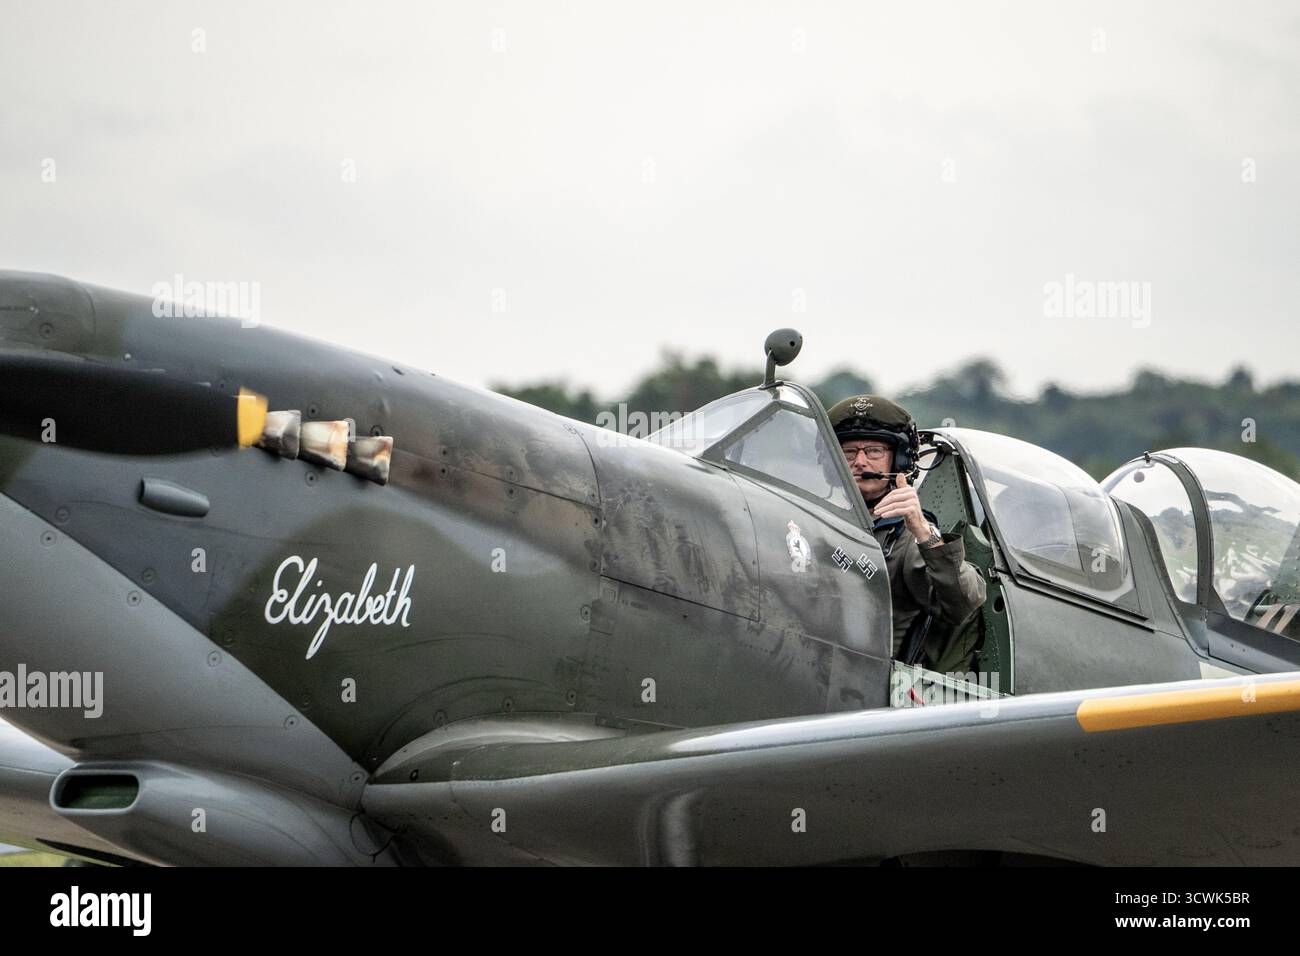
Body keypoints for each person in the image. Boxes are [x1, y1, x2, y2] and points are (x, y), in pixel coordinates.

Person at [827, 394, 986, 670]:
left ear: (897, 461)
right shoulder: (818, 523)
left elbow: (962, 603)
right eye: (848, 452)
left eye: (874, 451)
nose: (860, 462)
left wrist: (924, 532)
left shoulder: (907, 537)